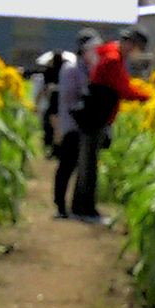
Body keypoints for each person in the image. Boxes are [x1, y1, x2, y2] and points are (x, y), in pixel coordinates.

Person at [69, 27, 151, 223]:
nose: (135, 53)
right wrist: (150, 96)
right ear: (130, 43)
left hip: (94, 115)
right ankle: (85, 210)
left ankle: (80, 207)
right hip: (96, 116)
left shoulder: (109, 53)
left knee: (87, 163)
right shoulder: (113, 59)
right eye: (136, 48)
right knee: (89, 166)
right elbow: (124, 89)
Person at [50, 32, 98, 218]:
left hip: (81, 126)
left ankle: (70, 206)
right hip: (71, 126)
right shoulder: (71, 69)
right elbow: (70, 99)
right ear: (84, 50)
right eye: (92, 49)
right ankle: (60, 205)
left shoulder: (86, 69)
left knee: (77, 167)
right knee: (67, 166)